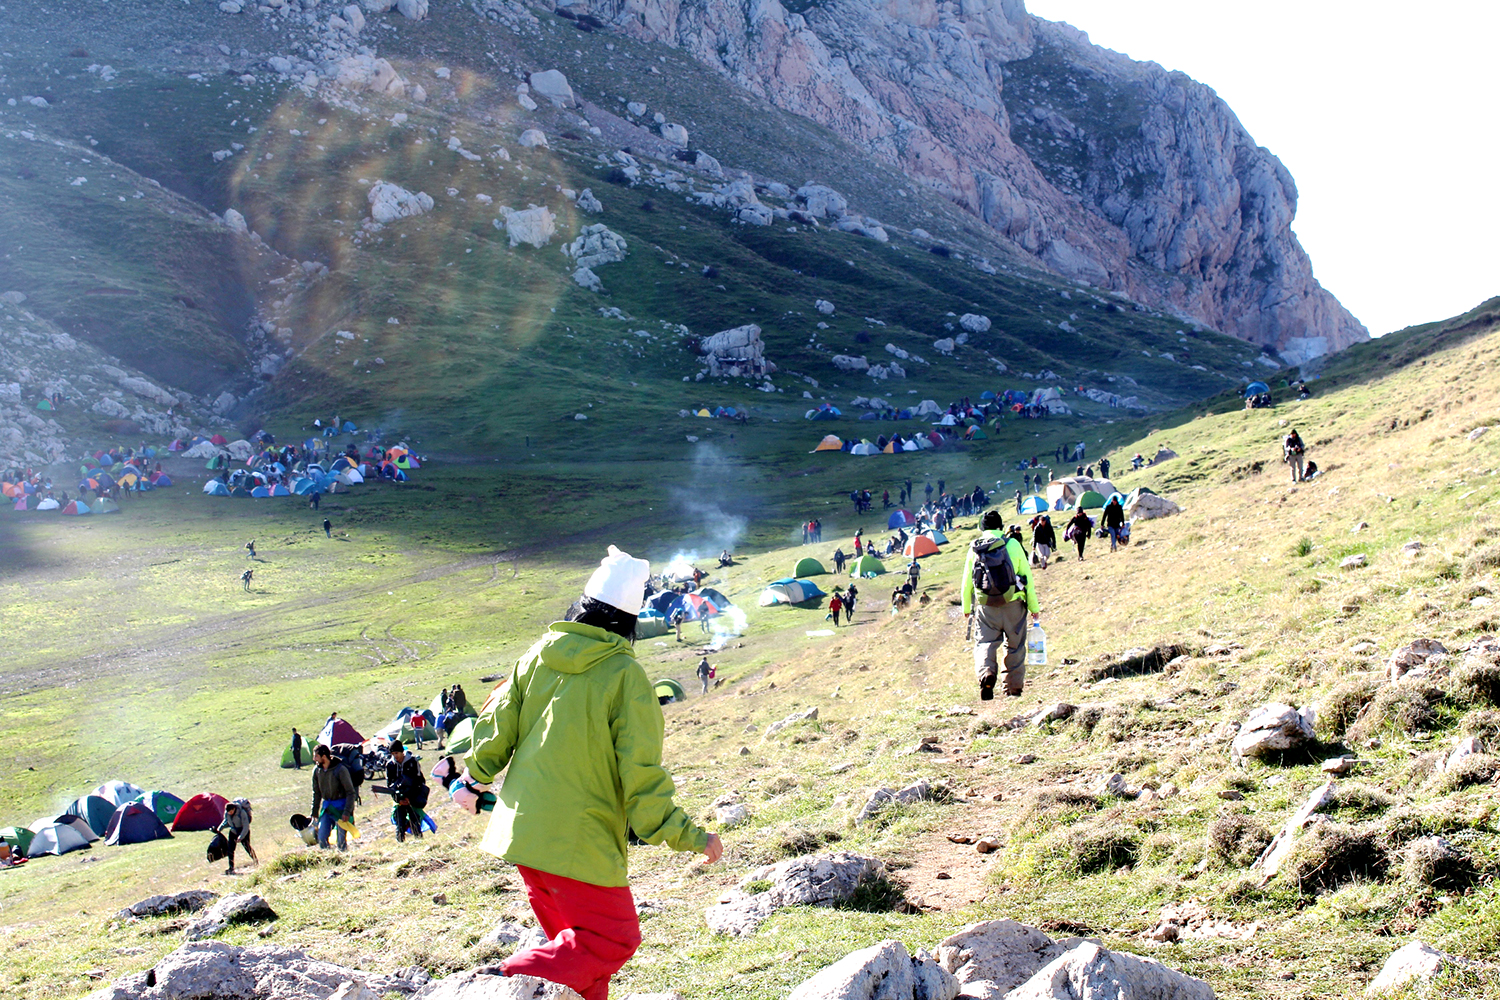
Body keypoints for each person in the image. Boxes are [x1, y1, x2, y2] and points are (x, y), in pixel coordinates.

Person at [451, 545, 722, 1000]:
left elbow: (495, 728)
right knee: (611, 940)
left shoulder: (537, 655)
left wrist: (474, 776)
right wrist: (688, 835)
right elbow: (641, 778)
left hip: (521, 833)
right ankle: (497, 983)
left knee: (579, 957)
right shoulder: (625, 676)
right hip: (577, 841)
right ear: (629, 621)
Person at [960, 510, 1040, 700]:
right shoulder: (1012, 544)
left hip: (986, 606)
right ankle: (1013, 689)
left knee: (985, 643)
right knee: (1015, 646)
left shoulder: (974, 549)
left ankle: (986, 673)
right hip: (1013, 604)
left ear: (982, 528)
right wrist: (1033, 608)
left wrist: (966, 608)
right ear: (1000, 526)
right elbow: (1027, 577)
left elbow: (966, 582)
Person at [311, 743, 357, 851]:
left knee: (341, 842)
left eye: (316, 756)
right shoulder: (317, 771)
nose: (314, 759)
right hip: (327, 809)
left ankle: (344, 863)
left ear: (324, 756)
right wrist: (314, 812)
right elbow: (316, 793)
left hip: (341, 809)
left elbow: (351, 792)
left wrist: (347, 812)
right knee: (321, 838)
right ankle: (330, 861)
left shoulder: (340, 770)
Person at [386, 741, 428, 842]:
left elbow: (419, 781)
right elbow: (389, 785)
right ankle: (400, 843)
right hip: (399, 800)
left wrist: (411, 798)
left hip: (413, 797)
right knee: (399, 822)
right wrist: (398, 800)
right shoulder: (390, 765)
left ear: (402, 752)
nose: (395, 756)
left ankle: (419, 842)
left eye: (396, 753)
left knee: (414, 821)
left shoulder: (412, 761)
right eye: (392, 754)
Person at [217, 800, 258, 874]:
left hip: (243, 831)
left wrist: (241, 837)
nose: (229, 813)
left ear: (233, 809)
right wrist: (220, 828)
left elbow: (246, 826)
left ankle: (255, 860)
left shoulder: (242, 813)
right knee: (230, 849)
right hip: (233, 831)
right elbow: (226, 821)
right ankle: (231, 867)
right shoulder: (227, 813)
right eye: (228, 812)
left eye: (230, 812)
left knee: (247, 847)